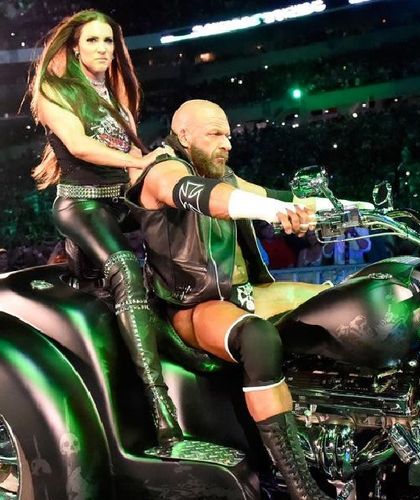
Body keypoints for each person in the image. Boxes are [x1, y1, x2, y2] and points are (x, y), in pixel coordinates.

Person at [129, 99, 343, 499]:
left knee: (339, 303)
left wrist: (357, 208)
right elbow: (203, 196)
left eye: (228, 135)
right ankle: (301, 487)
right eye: (215, 134)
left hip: (245, 294)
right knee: (258, 337)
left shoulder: (223, 175)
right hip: (192, 305)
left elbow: (281, 196)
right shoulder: (161, 170)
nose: (227, 143)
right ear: (184, 135)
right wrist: (272, 211)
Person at [27, 10, 182, 448]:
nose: (102, 49)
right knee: (127, 269)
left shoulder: (116, 99)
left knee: (183, 222)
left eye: (109, 41)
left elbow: (134, 166)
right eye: (93, 40)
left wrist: (163, 171)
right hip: (82, 203)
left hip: (119, 201)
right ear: (75, 46)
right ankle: (159, 405)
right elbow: (79, 146)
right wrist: (140, 159)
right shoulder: (53, 90)